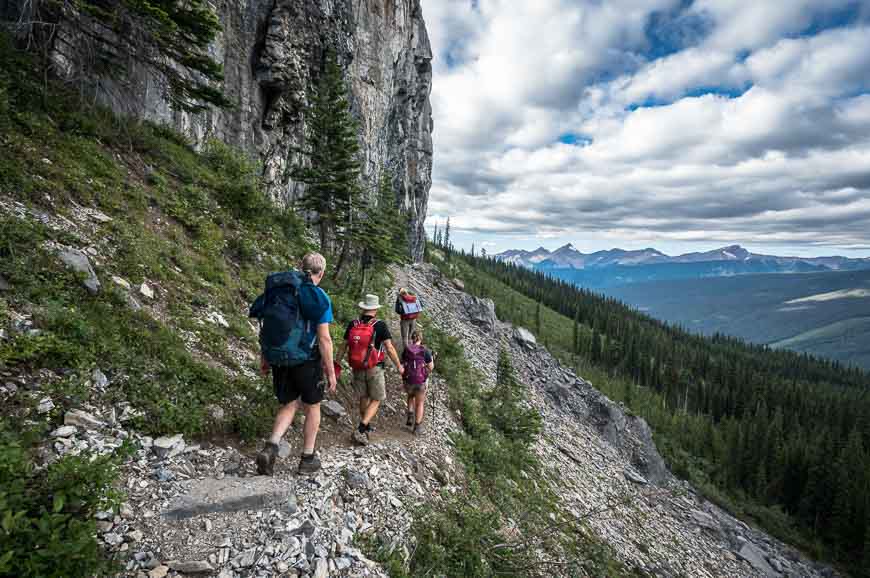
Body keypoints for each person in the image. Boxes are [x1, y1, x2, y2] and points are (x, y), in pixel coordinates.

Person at [254, 252, 336, 476]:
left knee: (289, 404)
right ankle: (307, 458)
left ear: (301, 267)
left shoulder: (281, 292)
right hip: (306, 360)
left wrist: (265, 358)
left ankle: (270, 448)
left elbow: (266, 327)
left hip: (279, 358)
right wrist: (330, 371)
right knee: (313, 406)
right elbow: (324, 339)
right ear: (322, 273)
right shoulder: (318, 297)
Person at [335, 294, 404, 445]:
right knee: (377, 398)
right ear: (375, 309)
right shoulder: (380, 325)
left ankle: (366, 427)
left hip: (357, 367)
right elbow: (389, 348)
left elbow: (343, 345)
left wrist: (337, 363)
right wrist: (399, 365)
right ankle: (361, 428)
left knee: (363, 397)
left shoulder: (353, 324)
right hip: (374, 368)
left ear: (363, 308)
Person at [401, 330, 435, 434]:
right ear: (420, 338)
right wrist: (425, 371)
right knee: (420, 403)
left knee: (411, 396)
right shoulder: (425, 351)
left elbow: (402, 364)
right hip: (420, 381)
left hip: (409, 380)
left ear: (412, 338)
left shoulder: (406, 350)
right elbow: (431, 367)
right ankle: (417, 427)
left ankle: (410, 415)